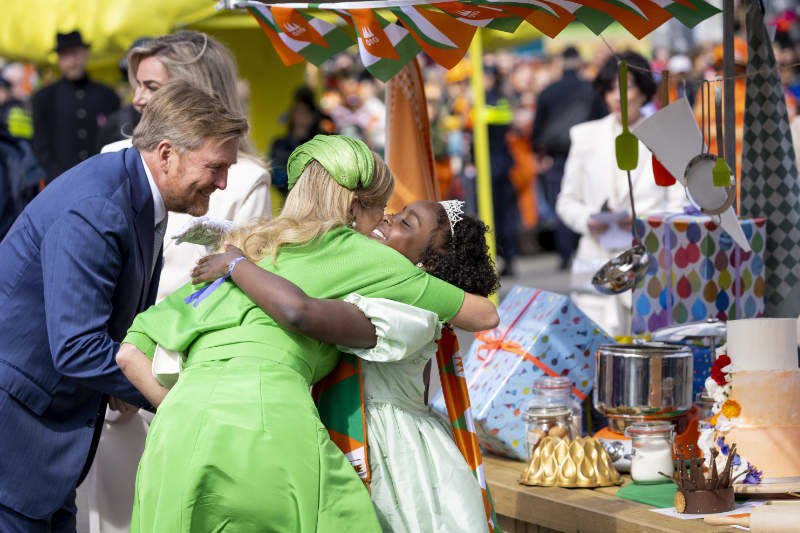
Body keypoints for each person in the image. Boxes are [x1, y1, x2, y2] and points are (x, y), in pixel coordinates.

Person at [115, 135, 499, 532]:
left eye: (398, 216)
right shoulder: (368, 256)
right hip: (274, 419)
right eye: (383, 208)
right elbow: (483, 313)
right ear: (354, 207)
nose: (384, 219)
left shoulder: (251, 250)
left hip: (175, 432)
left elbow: (128, 353)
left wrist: (190, 407)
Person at [0, 80, 248, 531]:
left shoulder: (134, 191)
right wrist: (170, 396)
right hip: (18, 443)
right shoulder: (99, 207)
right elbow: (77, 345)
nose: (223, 182)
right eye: (216, 167)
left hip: (45, 445)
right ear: (168, 153)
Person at [189, 199, 500, 532]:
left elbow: (302, 312)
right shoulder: (370, 283)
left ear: (429, 267)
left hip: (390, 452)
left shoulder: (410, 317)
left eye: (405, 224)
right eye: (395, 213)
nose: (387, 219)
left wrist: (239, 265)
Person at [83, 31, 272, 533]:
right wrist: (110, 362)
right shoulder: (110, 158)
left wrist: (154, 370)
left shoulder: (244, 180)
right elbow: (90, 271)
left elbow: (233, 292)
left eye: (150, 85)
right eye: (135, 85)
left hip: (178, 378)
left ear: (193, 88)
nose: (137, 98)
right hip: (104, 375)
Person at [556, 51, 684, 337]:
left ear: (643, 90)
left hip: (649, 258)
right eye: (610, 89)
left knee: (651, 350)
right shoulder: (585, 136)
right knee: (595, 351)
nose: (617, 96)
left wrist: (644, 222)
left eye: (625, 87)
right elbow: (566, 201)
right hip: (595, 258)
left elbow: (679, 201)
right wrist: (589, 220)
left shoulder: (663, 136)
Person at [532, 46, 606, 270]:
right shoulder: (591, 89)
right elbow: (603, 120)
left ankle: (566, 254)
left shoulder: (548, 92)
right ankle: (582, 247)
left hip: (557, 156)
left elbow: (537, 128)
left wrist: (538, 152)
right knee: (587, 200)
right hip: (588, 154)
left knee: (563, 202)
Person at [32, 31, 120, 182]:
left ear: (85, 54)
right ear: (59, 60)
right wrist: (59, 179)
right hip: (60, 182)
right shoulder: (44, 97)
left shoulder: (107, 95)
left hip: (101, 178)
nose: (72, 61)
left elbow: (114, 138)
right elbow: (41, 146)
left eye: (76, 54)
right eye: (65, 55)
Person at [269, 86, 334, 194]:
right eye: (299, 113)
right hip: (290, 203)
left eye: (307, 114)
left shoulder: (322, 144)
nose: (302, 119)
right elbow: (278, 179)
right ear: (293, 115)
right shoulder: (280, 145)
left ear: (314, 117)